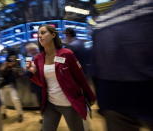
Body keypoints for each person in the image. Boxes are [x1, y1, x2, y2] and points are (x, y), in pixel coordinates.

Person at [91, 0, 153, 130]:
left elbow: (96, 65)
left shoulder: (101, 21)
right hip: (144, 87)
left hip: (111, 95)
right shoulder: (148, 7)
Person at [26, 25, 96, 131]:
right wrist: (33, 73)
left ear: (53, 35)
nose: (40, 36)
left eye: (43, 33)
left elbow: (80, 77)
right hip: (50, 104)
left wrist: (90, 96)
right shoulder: (38, 58)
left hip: (69, 104)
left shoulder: (66, 54)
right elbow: (42, 83)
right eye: (39, 34)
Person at [0, 51, 24, 122]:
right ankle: (3, 113)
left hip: (11, 86)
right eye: (11, 59)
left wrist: (14, 69)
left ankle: (20, 114)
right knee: (1, 101)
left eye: (13, 59)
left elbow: (20, 75)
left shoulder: (16, 67)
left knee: (15, 99)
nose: (12, 60)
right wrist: (6, 66)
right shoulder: (4, 65)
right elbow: (0, 73)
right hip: (2, 86)